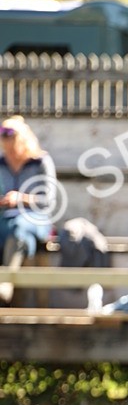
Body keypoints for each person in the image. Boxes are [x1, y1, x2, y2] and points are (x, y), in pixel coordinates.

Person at [0, 115, 57, 304]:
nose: (9, 152)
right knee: (23, 238)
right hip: (6, 221)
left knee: (19, 228)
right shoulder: (1, 163)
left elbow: (48, 201)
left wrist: (21, 198)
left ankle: (6, 285)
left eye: (12, 146)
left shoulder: (40, 162)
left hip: (36, 218)